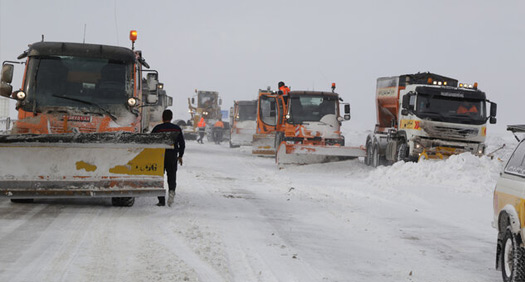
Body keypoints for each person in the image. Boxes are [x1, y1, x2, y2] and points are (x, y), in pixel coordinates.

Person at [151, 109, 185, 207]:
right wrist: (180, 156)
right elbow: (182, 144)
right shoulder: (177, 129)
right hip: (172, 156)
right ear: (171, 118)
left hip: (159, 157)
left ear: (162, 117)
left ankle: (161, 200)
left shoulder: (157, 128)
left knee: (159, 177)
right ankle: (171, 193)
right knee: (172, 176)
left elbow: (150, 141)